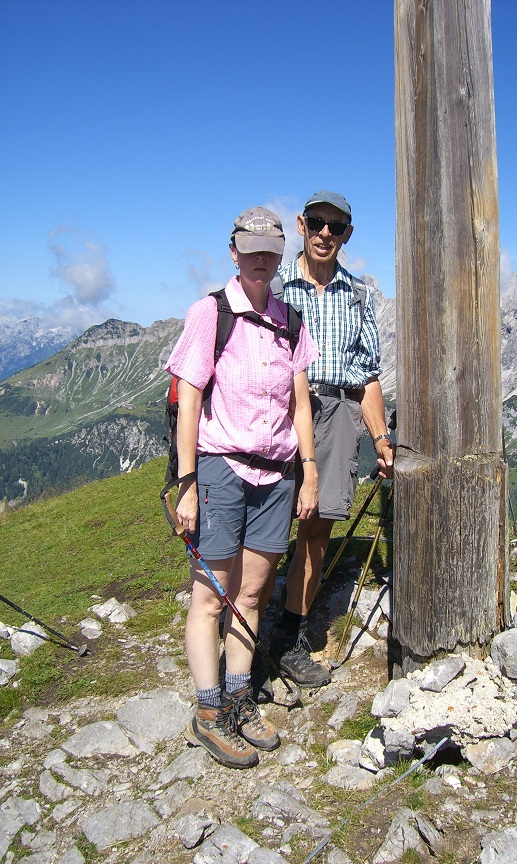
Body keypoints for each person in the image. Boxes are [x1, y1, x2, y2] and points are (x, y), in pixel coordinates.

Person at [165, 207, 319, 769]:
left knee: (251, 595)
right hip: (222, 470)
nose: (260, 259)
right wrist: (186, 484)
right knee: (211, 595)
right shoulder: (211, 313)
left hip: (276, 476)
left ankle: (237, 696)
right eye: (250, 249)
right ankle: (209, 713)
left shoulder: (291, 322)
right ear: (233, 251)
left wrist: (310, 471)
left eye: (269, 250)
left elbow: (300, 402)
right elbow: (189, 401)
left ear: (281, 254)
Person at [265, 190, 394, 690]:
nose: (324, 234)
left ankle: (289, 639)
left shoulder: (358, 295)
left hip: (339, 412)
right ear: (301, 224)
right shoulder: (275, 289)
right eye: (317, 223)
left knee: (317, 527)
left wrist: (381, 437)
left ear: (347, 236)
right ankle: (248, 629)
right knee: (270, 519)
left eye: (335, 228)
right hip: (281, 411)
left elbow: (368, 378)